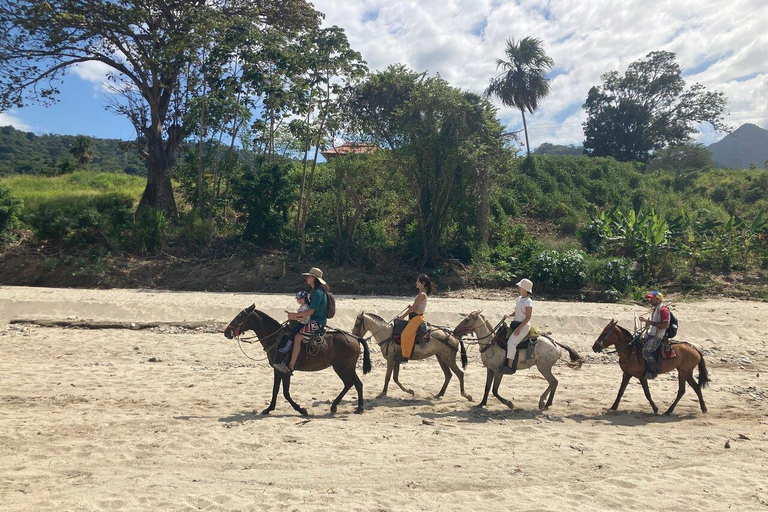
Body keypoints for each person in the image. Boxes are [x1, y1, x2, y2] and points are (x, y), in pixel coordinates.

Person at [273, 268, 329, 374]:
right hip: (314, 320)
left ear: (314, 278)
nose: (307, 279)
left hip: (316, 322)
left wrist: (294, 315)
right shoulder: (317, 291)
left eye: (308, 276)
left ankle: (291, 366)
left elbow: (311, 312)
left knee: (298, 338)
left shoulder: (317, 293)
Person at [396, 274, 433, 363]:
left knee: (405, 335)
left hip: (417, 318)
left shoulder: (422, 295)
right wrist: (411, 307)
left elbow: (414, 308)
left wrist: (402, 317)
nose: (416, 283)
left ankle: (405, 356)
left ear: (422, 283)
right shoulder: (420, 294)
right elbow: (415, 307)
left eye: (417, 281)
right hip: (414, 317)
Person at [502, 278, 534, 373]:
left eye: (520, 286)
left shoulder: (528, 301)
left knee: (511, 343)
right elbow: (517, 312)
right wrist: (509, 315)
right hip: (515, 324)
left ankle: (510, 367)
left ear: (525, 288)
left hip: (523, 326)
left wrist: (519, 329)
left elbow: (528, 317)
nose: (518, 288)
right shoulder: (519, 299)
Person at [638, 290, 670, 379]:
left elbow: (666, 325)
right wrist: (646, 322)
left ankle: (653, 370)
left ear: (658, 299)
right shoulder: (656, 310)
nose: (650, 300)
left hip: (658, 336)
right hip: (652, 334)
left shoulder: (663, 310)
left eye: (652, 299)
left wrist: (651, 323)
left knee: (646, 351)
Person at [277, 290, 310, 360]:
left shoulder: (305, 307)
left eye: (301, 299)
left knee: (293, 333)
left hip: (303, 324)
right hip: (302, 323)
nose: (299, 300)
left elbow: (303, 317)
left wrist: (294, 317)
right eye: (298, 299)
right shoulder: (303, 306)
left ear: (305, 299)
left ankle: (287, 348)